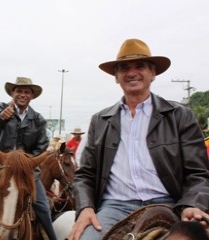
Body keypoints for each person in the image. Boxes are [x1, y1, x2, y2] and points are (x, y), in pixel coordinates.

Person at [68, 38, 209, 240]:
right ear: (116, 77)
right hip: (113, 206)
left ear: (153, 73)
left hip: (169, 202)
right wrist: (85, 208)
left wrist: (191, 204)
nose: (132, 72)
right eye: (124, 68)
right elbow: (85, 175)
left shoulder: (180, 115)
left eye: (140, 66)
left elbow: (198, 173)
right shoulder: (100, 120)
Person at [0, 77, 57, 240]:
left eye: (26, 92)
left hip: (28, 172)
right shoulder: (2, 108)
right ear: (13, 93)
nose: (23, 94)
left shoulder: (38, 120)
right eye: (19, 91)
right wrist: (2, 116)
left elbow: (42, 145)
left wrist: (23, 162)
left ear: (32, 96)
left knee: (43, 208)